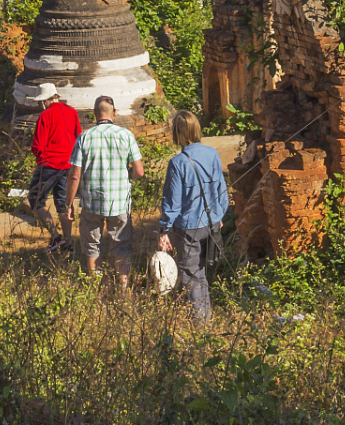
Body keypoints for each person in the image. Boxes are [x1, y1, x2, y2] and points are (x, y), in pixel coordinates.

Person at [156, 110, 228, 319]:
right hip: (212, 223)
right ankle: (206, 314)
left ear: (177, 133)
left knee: (191, 274)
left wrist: (164, 229)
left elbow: (173, 202)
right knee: (202, 271)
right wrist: (219, 214)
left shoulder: (178, 163)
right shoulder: (212, 154)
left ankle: (202, 324)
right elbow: (221, 189)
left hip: (189, 226)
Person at [65, 96, 144, 285]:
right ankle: (123, 288)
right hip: (119, 202)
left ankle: (96, 289)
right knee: (122, 245)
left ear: (94, 114)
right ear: (114, 113)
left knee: (92, 247)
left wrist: (69, 204)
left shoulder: (84, 137)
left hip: (92, 202)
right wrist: (127, 176)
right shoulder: (126, 136)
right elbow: (139, 172)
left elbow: (74, 175)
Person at [27, 89, 81, 253]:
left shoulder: (45, 116)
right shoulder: (71, 111)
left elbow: (38, 145)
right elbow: (78, 135)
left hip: (50, 164)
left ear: (45, 100)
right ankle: (68, 242)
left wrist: (37, 155)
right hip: (68, 164)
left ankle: (55, 236)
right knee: (63, 203)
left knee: (35, 199)